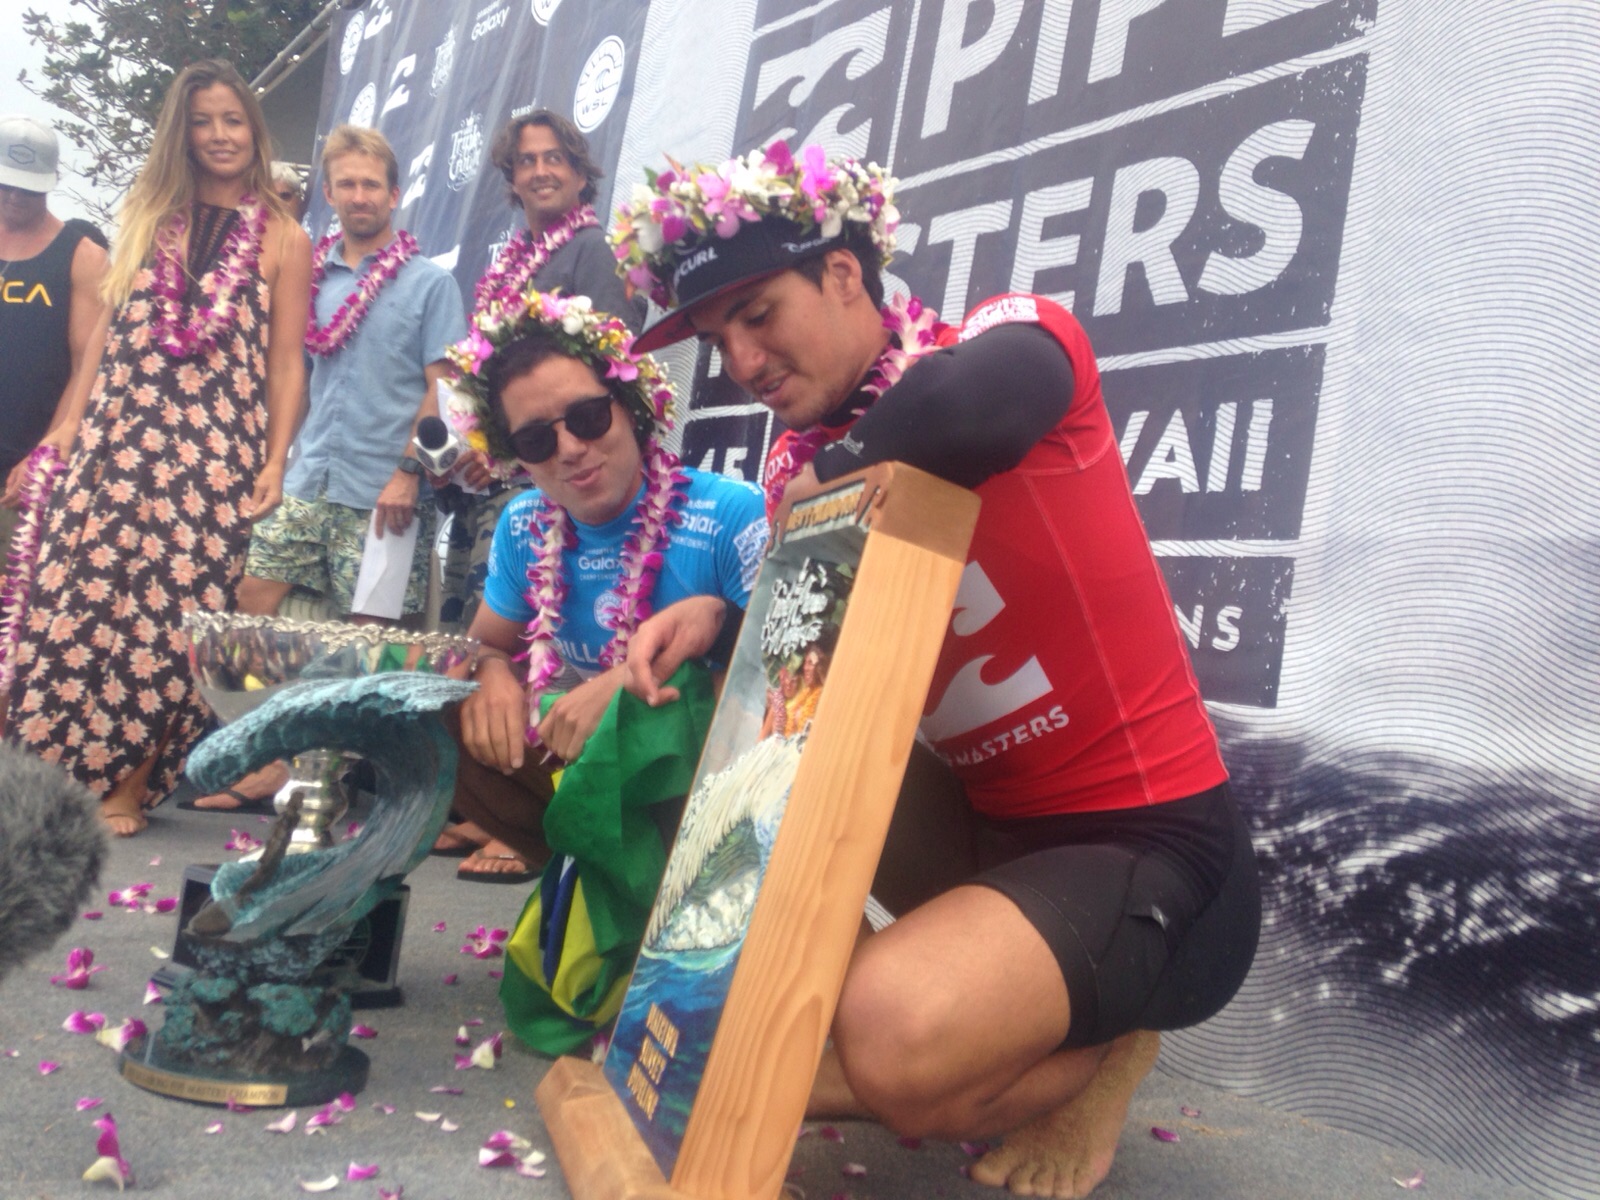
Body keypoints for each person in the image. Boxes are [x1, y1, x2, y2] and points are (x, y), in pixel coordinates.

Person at [615, 142, 1261, 1199]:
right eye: (715, 336)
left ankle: (1108, 1050)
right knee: (717, 747)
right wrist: (721, 613)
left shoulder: (1001, 341)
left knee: (891, 1037)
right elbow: (794, 679)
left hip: (1154, 845)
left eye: (757, 313)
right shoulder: (805, 474)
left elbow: (977, 406)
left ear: (843, 274)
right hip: (988, 836)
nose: (737, 359)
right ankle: (744, 1052)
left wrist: (827, 475)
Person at [3, 60, 312, 837]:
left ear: (254, 130)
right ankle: (43, 774)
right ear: (184, 132)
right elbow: (105, 332)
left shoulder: (284, 235)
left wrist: (276, 460)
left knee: (175, 618)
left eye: (232, 120)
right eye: (203, 121)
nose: (219, 136)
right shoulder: (147, 213)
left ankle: (127, 788)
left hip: (215, 452)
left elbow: (284, 362)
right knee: (77, 600)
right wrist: (68, 426)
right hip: (119, 435)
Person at [439, 287, 766, 895]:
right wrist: (490, 676)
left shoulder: (730, 513)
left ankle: (699, 893)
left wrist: (625, 690)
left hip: (718, 776)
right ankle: (595, 883)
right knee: (439, 707)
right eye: (536, 440)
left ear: (631, 408)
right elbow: (483, 645)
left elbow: (785, 680)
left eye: (588, 418)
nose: (569, 449)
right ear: (516, 457)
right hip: (599, 769)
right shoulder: (523, 524)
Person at [186, 126, 466, 813]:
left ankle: (329, 782)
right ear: (331, 194)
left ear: (395, 195)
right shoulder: (307, 279)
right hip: (309, 476)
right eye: (347, 184)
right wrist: (275, 463)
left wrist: (408, 470)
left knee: (364, 636)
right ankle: (266, 758)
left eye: (373, 184)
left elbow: (446, 389)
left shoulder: (430, 284)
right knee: (257, 600)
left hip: (384, 490)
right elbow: (294, 379)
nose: (360, 196)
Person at [435, 109, 647, 635]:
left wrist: (511, 455)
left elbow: (613, 380)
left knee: (535, 649)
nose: (540, 171)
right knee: (473, 650)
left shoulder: (594, 251)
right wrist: (480, 445)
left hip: (550, 489)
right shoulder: (511, 265)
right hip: (491, 492)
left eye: (555, 157)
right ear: (511, 179)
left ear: (580, 174)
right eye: (526, 161)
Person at [0, 115, 110, 550]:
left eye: (27, 188)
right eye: (6, 183)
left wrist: (45, 451)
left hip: (20, 465)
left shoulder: (82, 257)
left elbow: (87, 364)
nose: (13, 197)